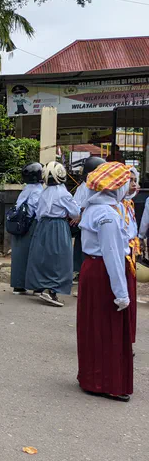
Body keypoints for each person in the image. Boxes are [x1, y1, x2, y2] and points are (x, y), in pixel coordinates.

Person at [77, 161, 133, 402]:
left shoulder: (95, 208)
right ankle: (104, 381)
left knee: (93, 324)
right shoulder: (107, 214)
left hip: (93, 269)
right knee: (106, 326)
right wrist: (121, 292)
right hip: (103, 272)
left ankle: (92, 376)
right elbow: (112, 254)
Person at [25, 161, 81, 307]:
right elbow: (75, 212)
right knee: (59, 259)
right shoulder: (64, 194)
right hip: (58, 227)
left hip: (43, 226)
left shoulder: (44, 191)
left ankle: (40, 286)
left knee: (43, 256)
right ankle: (53, 290)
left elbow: (38, 212)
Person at [11, 163, 44, 294]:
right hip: (31, 224)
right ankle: (36, 286)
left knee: (19, 254)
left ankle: (18, 284)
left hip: (20, 224)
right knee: (35, 255)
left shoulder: (27, 189)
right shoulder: (38, 190)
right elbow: (36, 209)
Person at [72, 156, 106, 281]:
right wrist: (80, 214)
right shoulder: (86, 187)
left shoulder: (87, 186)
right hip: (86, 222)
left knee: (82, 246)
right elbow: (81, 205)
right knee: (84, 248)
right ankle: (79, 271)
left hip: (87, 221)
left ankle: (78, 270)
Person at [119, 166, 140, 345]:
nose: (134, 184)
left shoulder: (128, 204)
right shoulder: (116, 207)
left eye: (135, 180)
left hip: (130, 256)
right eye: (130, 180)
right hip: (122, 258)